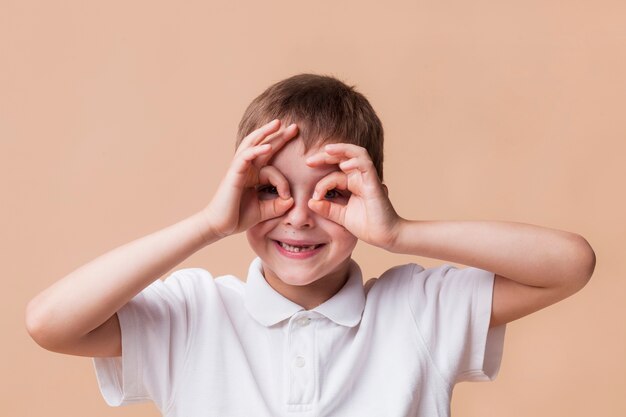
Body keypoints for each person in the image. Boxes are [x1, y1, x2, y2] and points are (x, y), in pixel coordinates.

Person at [26, 74, 596, 416]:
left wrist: (400, 233)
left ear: (368, 197)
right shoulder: (194, 315)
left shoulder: (419, 311)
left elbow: (571, 264)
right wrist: (207, 224)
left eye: (332, 194)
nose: (298, 217)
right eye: (271, 189)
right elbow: (50, 322)